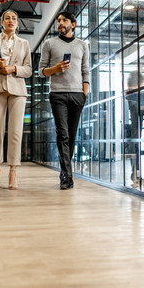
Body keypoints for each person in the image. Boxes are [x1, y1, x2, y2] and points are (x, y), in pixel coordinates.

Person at [0, 10, 32, 190]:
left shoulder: (24, 43)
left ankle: (13, 171)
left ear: (17, 23)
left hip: (18, 90)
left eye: (14, 19)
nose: (11, 21)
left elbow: (28, 70)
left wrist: (13, 69)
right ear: (1, 22)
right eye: (7, 18)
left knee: (16, 131)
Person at [38, 10, 89, 190]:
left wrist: (85, 92)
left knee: (72, 136)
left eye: (64, 20)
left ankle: (64, 171)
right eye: (59, 20)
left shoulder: (82, 45)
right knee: (63, 135)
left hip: (77, 95)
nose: (60, 23)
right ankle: (67, 177)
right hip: (58, 94)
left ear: (72, 24)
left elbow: (85, 70)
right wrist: (55, 69)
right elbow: (41, 71)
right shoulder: (49, 43)